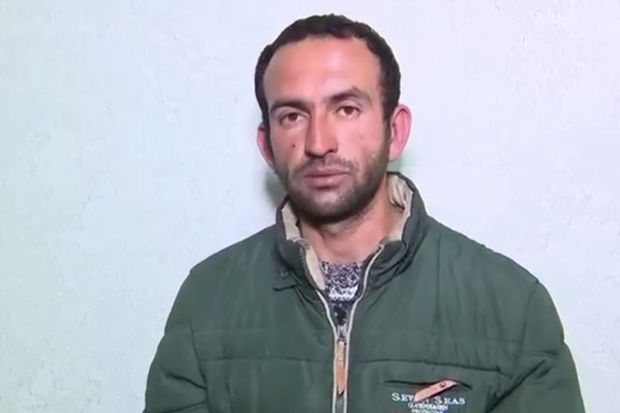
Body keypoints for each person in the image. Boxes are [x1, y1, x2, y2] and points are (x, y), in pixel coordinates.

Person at [144, 14, 584, 413]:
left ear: (395, 131)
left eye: (347, 109)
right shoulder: (206, 303)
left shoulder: (512, 309)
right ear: (267, 145)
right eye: (293, 116)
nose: (319, 142)